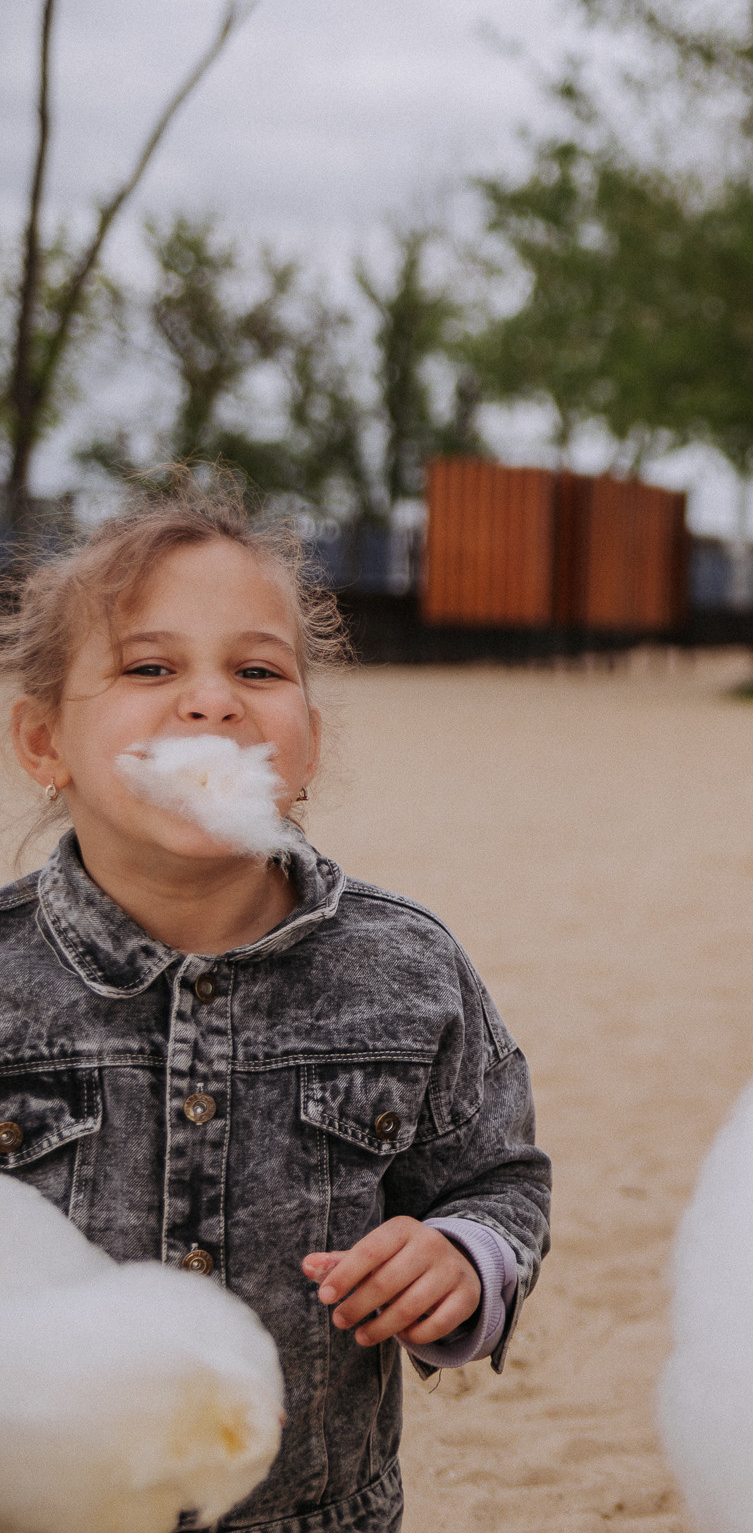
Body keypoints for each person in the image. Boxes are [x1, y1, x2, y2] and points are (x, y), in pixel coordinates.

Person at [0, 491, 551, 1533]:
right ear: (43, 741)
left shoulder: (407, 970)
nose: (212, 702)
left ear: (306, 748)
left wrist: (461, 1261)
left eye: (257, 671)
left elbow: (498, 1182)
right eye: (150, 668)